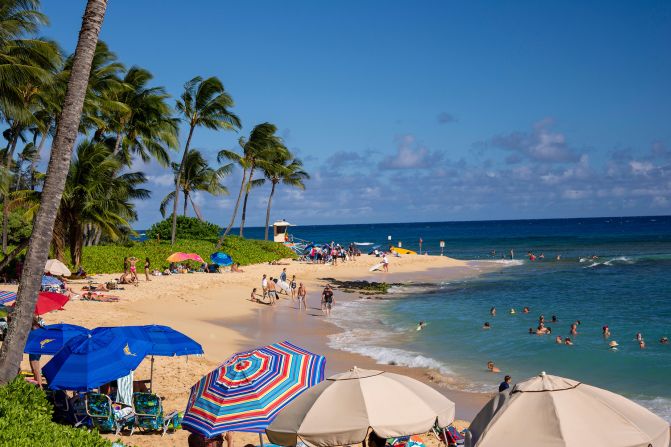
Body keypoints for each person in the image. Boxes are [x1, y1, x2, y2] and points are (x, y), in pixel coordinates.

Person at [28, 317, 44, 388]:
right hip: (37, 349)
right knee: (36, 370)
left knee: (35, 370)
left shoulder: (34, 327)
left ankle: (40, 388)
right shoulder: (38, 326)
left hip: (34, 349)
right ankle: (39, 387)